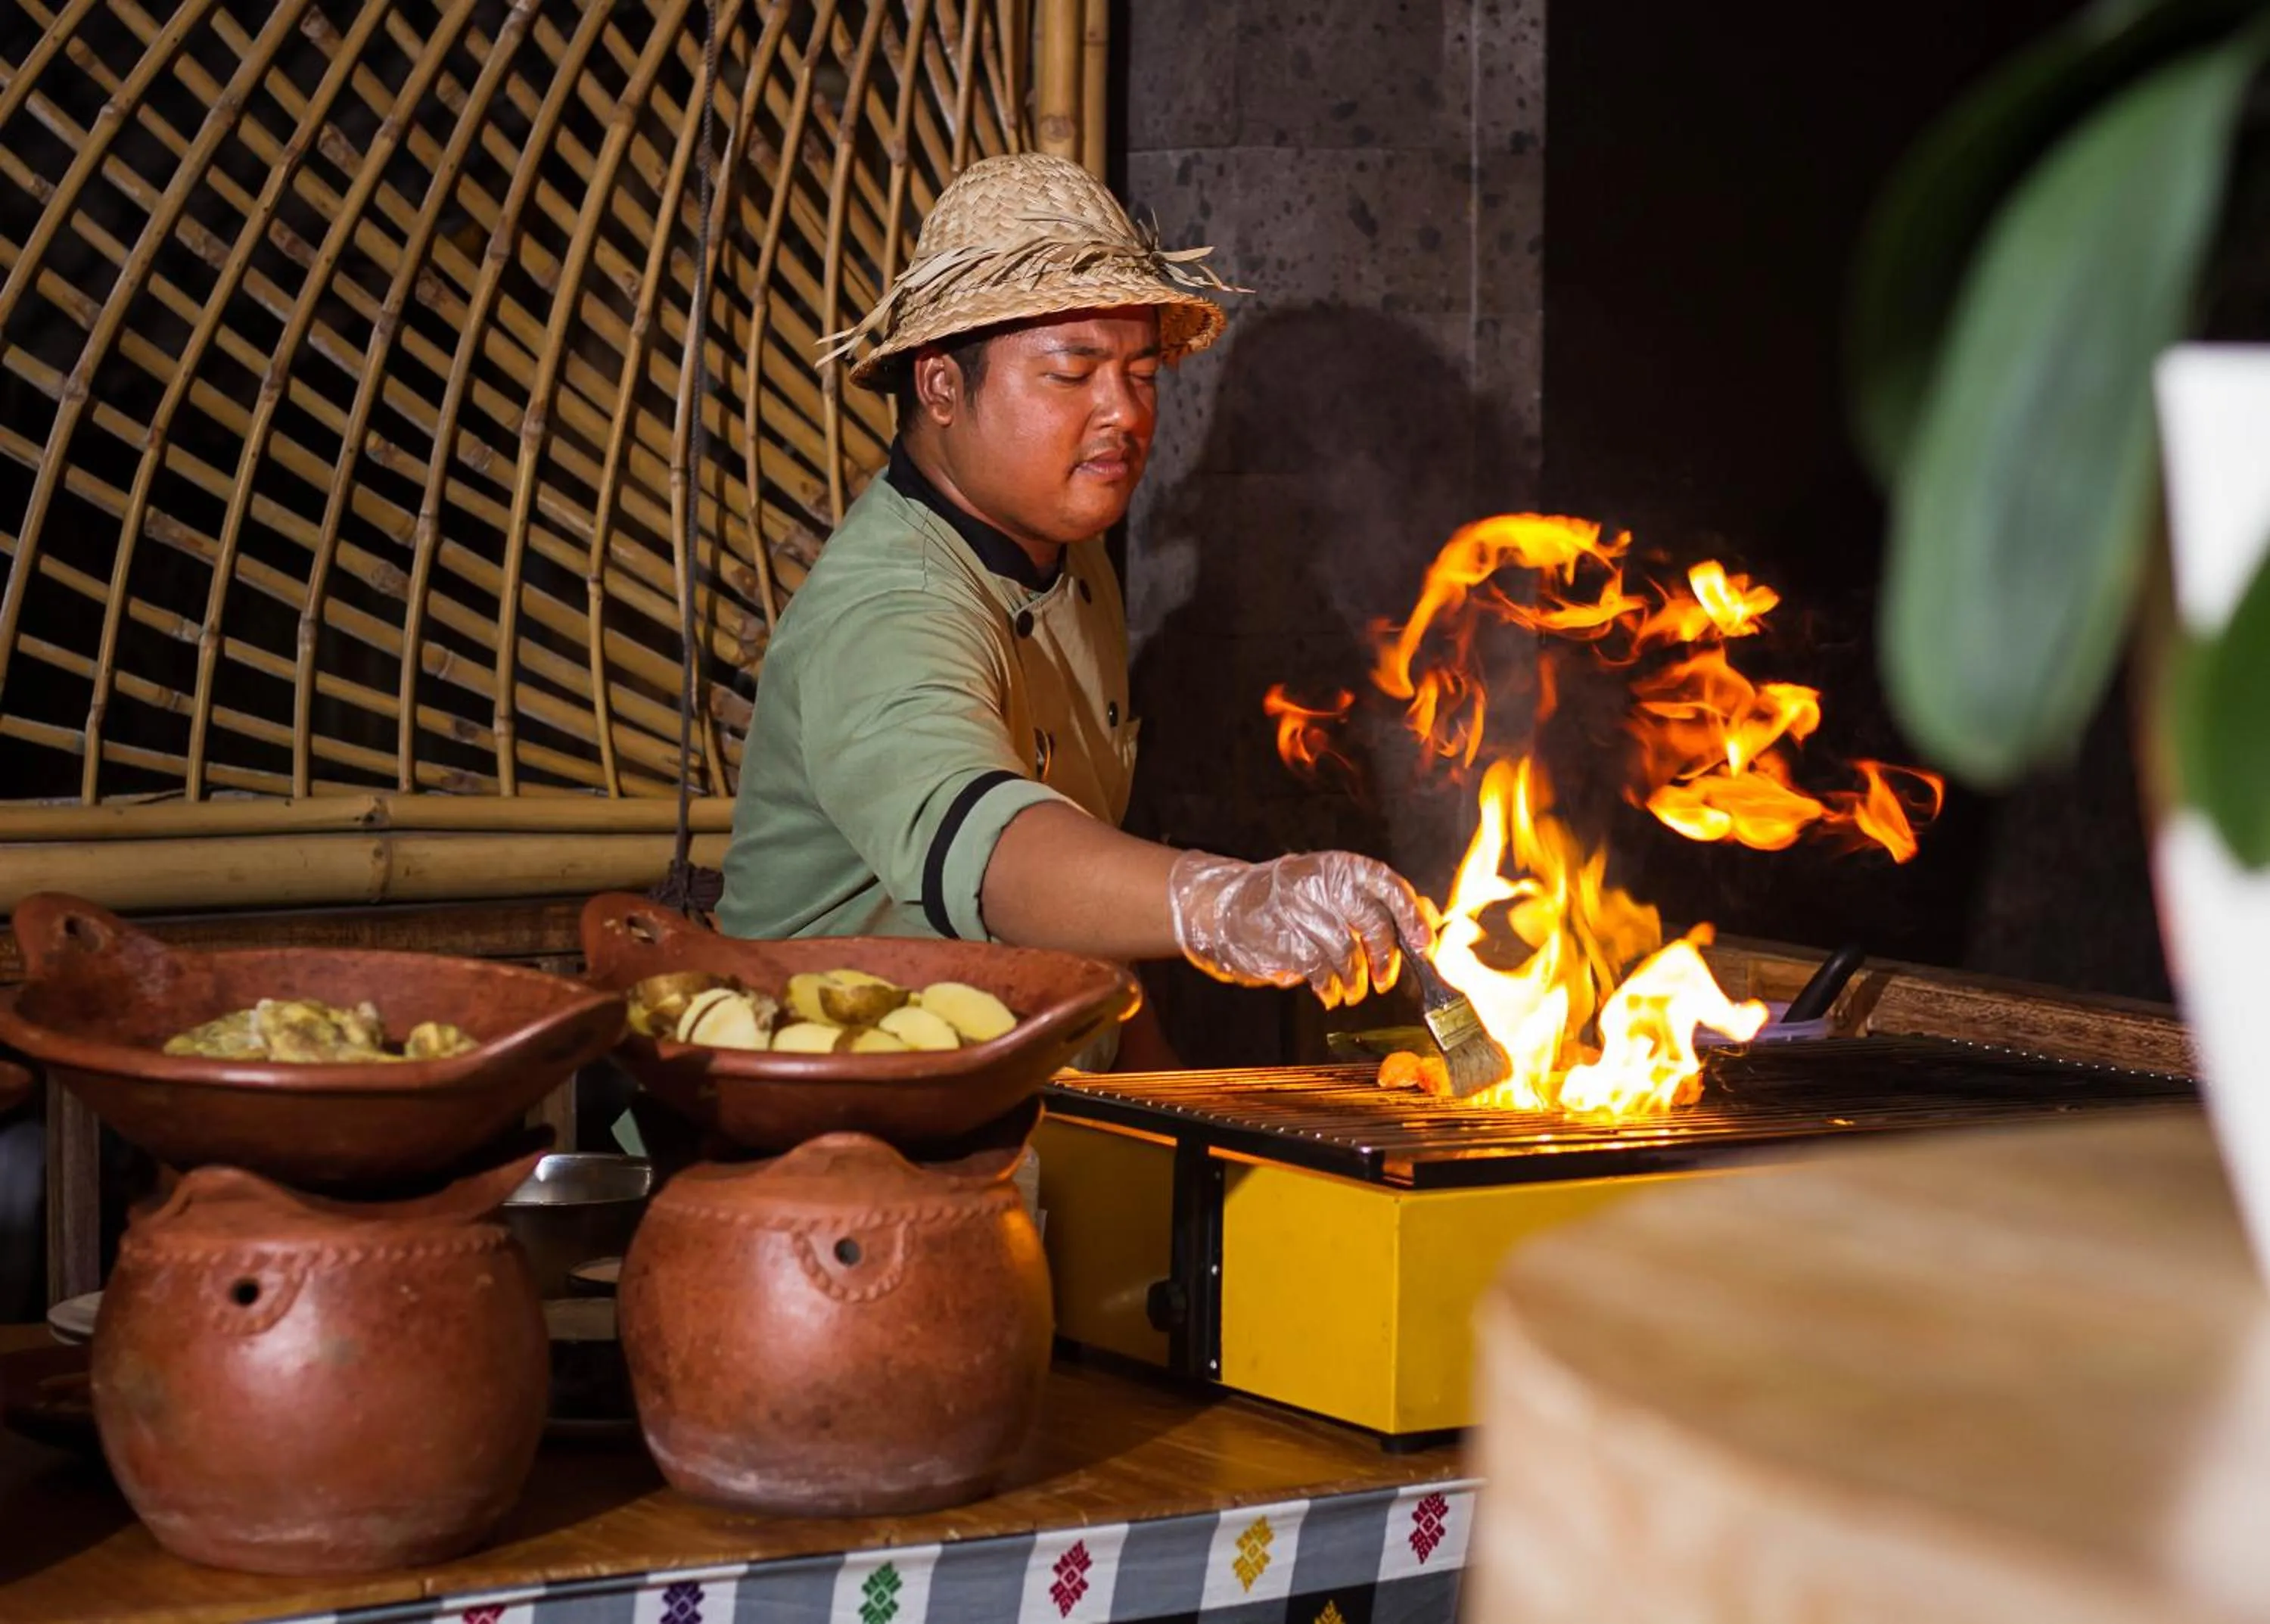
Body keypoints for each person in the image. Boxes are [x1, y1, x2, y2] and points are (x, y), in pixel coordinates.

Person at [716, 154, 1431, 1058]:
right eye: (1072, 371)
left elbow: (1080, 881)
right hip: (834, 1128)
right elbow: (999, 850)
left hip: (1027, 1089)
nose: (1124, 412)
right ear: (940, 385)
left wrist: (1158, 1114)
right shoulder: (890, 607)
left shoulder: (1070, 552)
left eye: (1140, 373)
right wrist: (1225, 902)